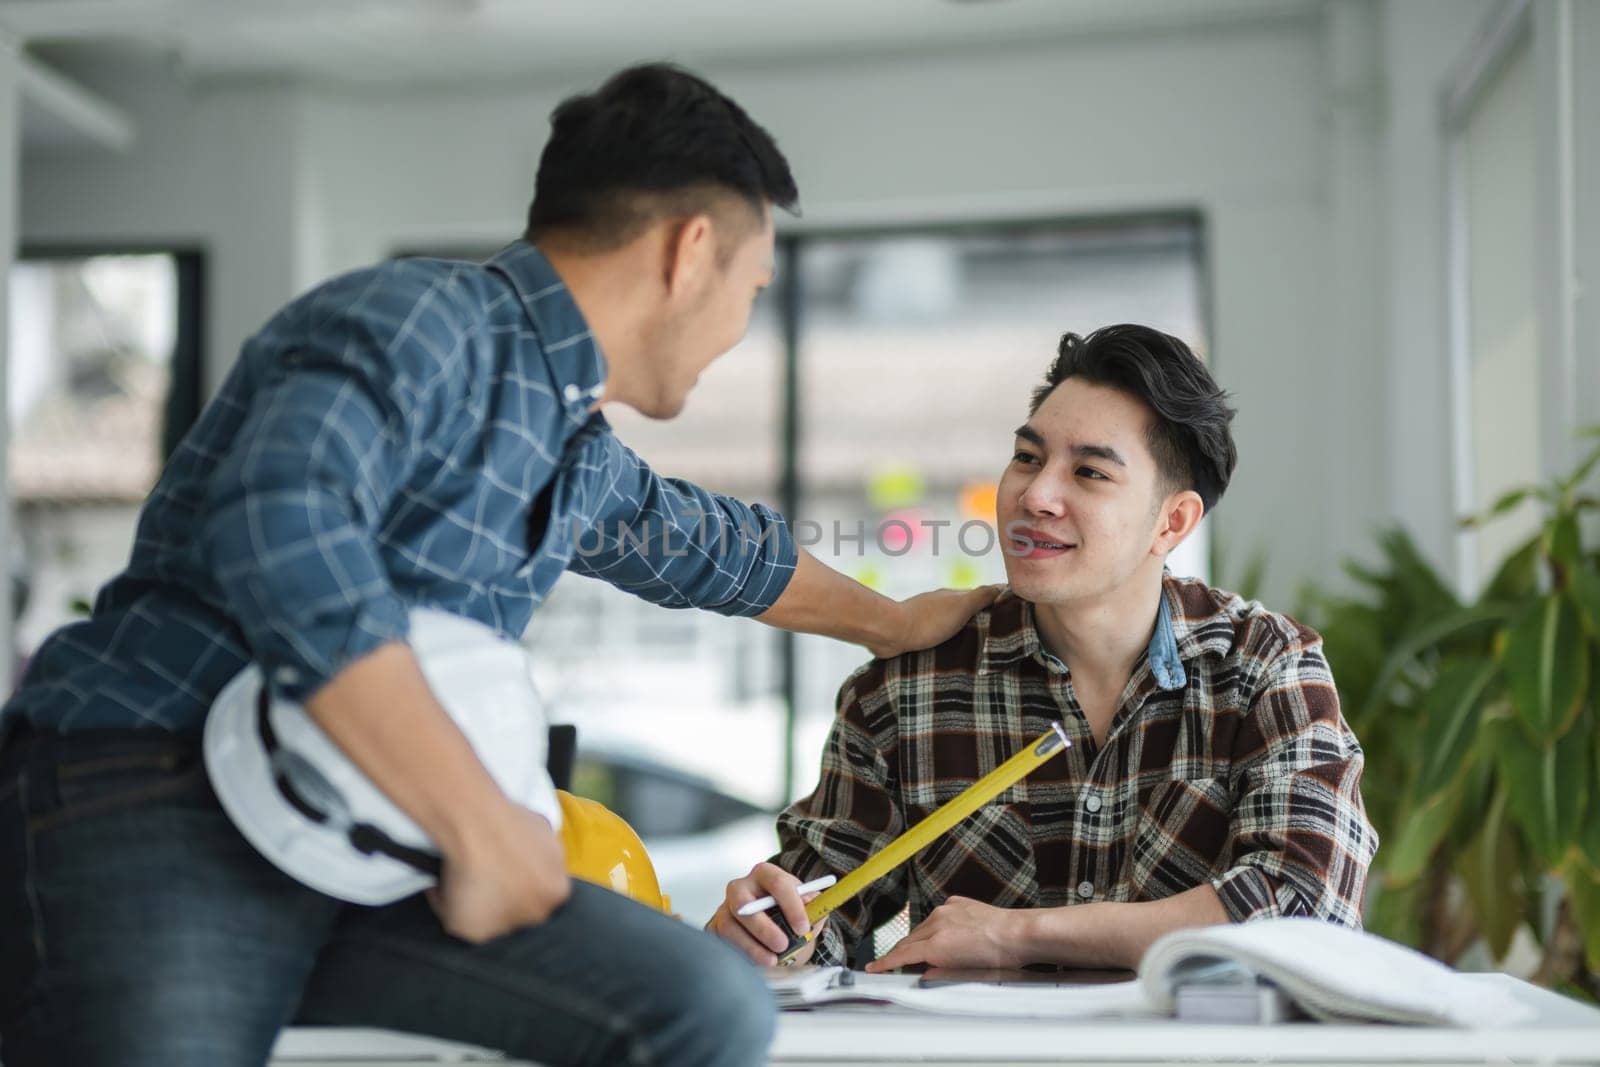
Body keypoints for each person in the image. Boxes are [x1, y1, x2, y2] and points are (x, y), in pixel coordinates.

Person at [0, 63, 995, 1067]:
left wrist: (898, 623)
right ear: (690, 253)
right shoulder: (418, 318)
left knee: (699, 1004)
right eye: (753, 290)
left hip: (365, 847)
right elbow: (286, 531)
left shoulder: (568, 438)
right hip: (158, 797)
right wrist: (474, 817)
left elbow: (706, 548)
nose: (739, 327)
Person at [709, 324, 1379, 973]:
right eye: (1027, 458)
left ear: (1172, 522)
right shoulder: (903, 689)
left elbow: (1306, 908)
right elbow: (813, 928)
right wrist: (769, 936)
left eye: (1088, 472)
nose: (1035, 494)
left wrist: (1017, 935)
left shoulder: (1265, 667)